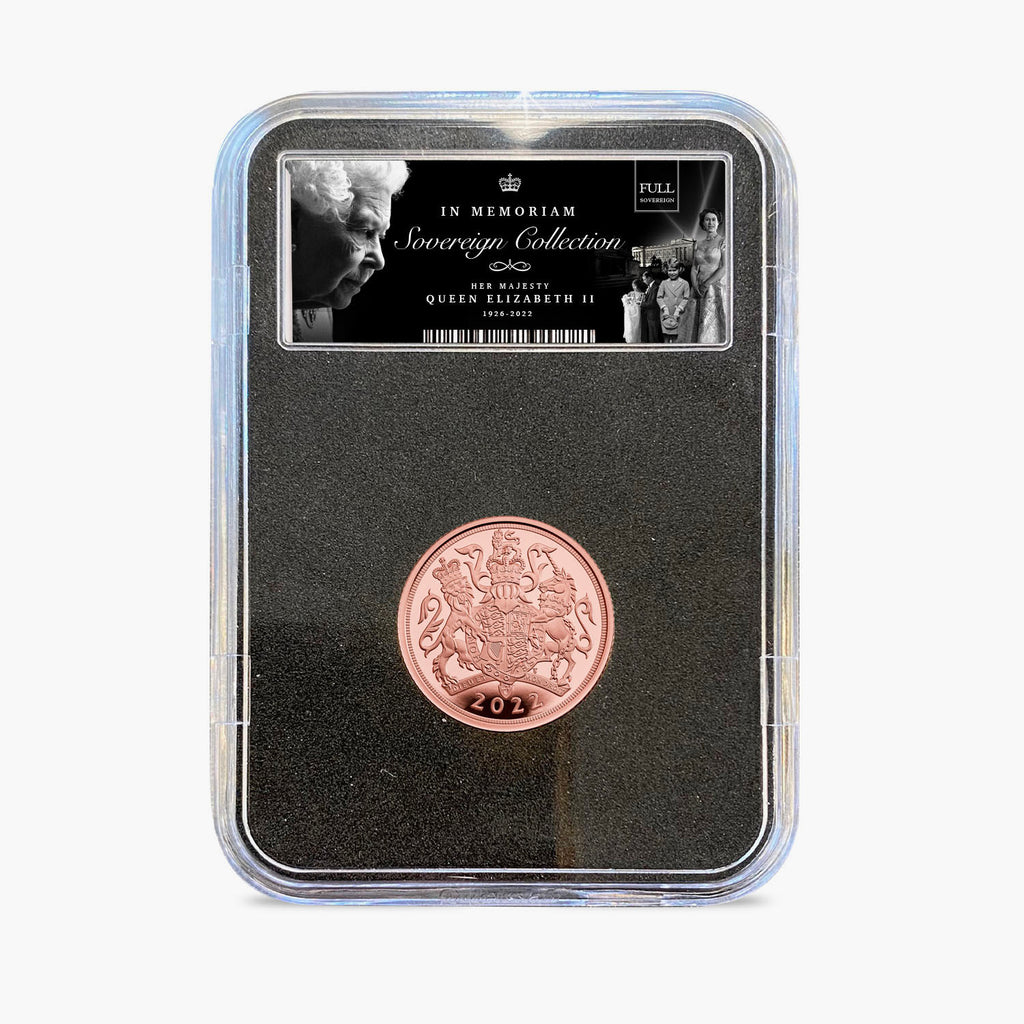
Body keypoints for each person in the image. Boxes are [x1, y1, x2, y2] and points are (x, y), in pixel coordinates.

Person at [289, 159, 410, 343]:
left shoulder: (318, 308)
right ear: (292, 223)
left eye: (381, 236)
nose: (379, 261)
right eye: (365, 231)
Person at [690, 208, 727, 346]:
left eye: (713, 220)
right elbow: (694, 268)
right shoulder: (697, 244)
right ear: (703, 223)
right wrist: (695, 285)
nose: (710, 223)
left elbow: (724, 267)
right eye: (707, 220)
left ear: (718, 222)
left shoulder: (723, 241)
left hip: (714, 288)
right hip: (697, 288)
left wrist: (706, 285)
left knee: (711, 327)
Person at [656, 259, 691, 341]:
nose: (672, 273)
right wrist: (664, 308)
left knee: (677, 338)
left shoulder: (685, 283)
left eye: (674, 270)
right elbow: (659, 297)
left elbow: (686, 298)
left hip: (679, 313)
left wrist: (678, 310)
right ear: (666, 270)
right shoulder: (664, 283)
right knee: (666, 337)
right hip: (666, 313)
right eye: (670, 270)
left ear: (679, 270)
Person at [639, 270, 662, 343]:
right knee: (651, 335)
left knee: (654, 335)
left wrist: (641, 303)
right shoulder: (650, 287)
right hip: (650, 315)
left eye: (644, 279)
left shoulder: (655, 287)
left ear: (649, 278)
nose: (644, 281)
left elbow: (653, 303)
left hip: (654, 315)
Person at [621, 277, 644, 343]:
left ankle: (636, 340)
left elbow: (642, 303)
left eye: (634, 286)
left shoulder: (642, 294)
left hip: (637, 312)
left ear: (636, 286)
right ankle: (631, 340)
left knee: (636, 327)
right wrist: (627, 300)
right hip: (631, 313)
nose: (633, 287)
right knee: (631, 327)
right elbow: (626, 302)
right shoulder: (631, 293)